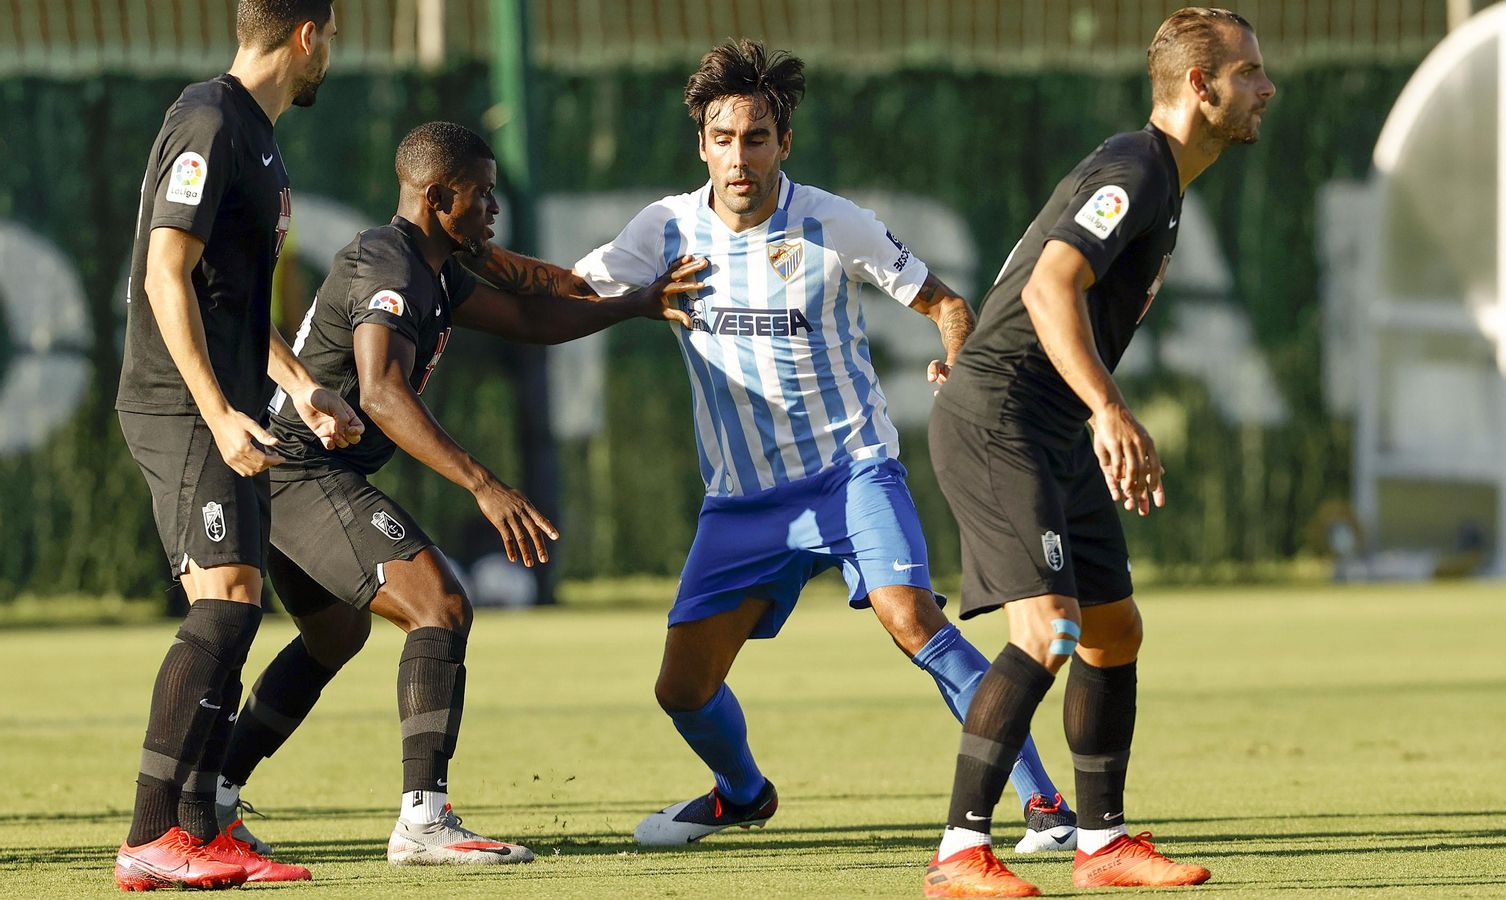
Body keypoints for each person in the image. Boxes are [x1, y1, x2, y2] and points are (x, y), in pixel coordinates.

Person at [573, 38, 1075, 852]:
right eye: (725, 139)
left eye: (758, 138)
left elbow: (944, 301)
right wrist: (476, 266)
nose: (741, 157)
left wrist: (956, 348)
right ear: (702, 143)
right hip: (741, 501)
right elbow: (566, 288)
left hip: (851, 472)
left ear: (784, 143)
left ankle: (1046, 806)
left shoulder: (833, 221)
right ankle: (741, 795)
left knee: (912, 618)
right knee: (681, 689)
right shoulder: (663, 227)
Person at [209, 121, 703, 865]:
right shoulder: (387, 263)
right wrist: (484, 483)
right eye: (483, 194)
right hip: (301, 472)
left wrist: (632, 304)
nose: (494, 207)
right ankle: (424, 822)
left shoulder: (434, 265)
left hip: (305, 477)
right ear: (440, 197)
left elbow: (532, 312)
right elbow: (379, 391)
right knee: (440, 604)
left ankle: (211, 795)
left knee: (335, 636)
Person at [918, 8, 1276, 896]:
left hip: (1049, 424)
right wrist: (1110, 409)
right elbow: (1049, 284)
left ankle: (1101, 843)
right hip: (1004, 418)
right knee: (1048, 632)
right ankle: (959, 855)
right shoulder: (1137, 168)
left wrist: (1090, 415)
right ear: (1201, 87)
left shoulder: (1164, 178)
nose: (1267, 88)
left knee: (1113, 633)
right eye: (1250, 73)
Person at [113, 0, 360, 889]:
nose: (332, 49)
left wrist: (300, 386)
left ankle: (198, 828)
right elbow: (164, 273)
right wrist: (217, 410)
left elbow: (226, 298)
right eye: (330, 32)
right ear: (306, 36)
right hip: (184, 407)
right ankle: (151, 836)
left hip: (233, 403)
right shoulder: (211, 122)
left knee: (238, 603)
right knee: (224, 601)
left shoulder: (253, 134)